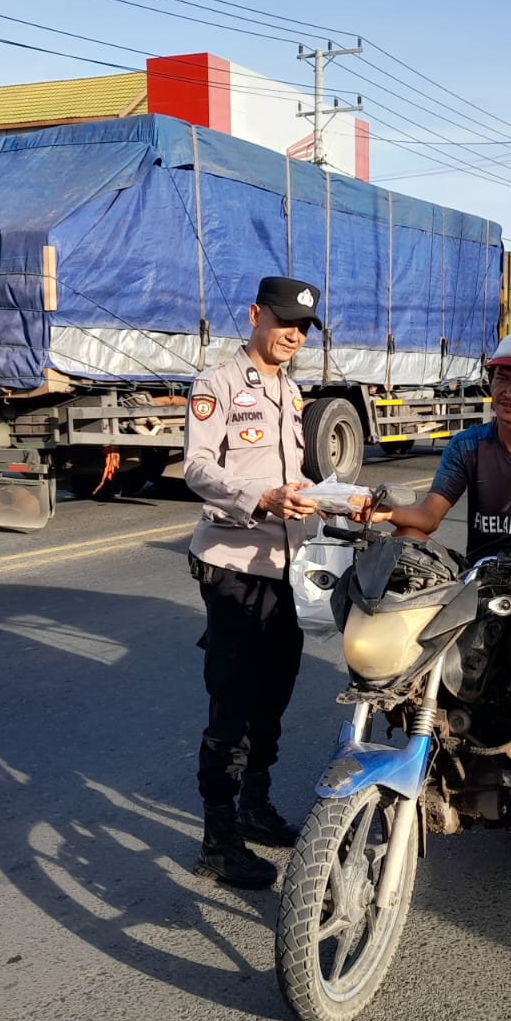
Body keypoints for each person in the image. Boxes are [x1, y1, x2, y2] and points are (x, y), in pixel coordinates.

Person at [364, 331, 511, 830]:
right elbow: (428, 517)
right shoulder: (469, 445)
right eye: (501, 378)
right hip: (484, 578)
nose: (510, 391)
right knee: (432, 647)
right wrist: (378, 515)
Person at [184, 276, 323, 888]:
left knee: (274, 697)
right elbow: (195, 468)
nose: (292, 335)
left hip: (286, 573)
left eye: (303, 328)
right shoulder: (218, 385)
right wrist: (260, 497)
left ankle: (256, 807)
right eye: (283, 322)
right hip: (235, 569)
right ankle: (218, 842)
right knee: (233, 705)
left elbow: (294, 474)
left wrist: (332, 504)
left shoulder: (292, 392)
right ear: (254, 316)